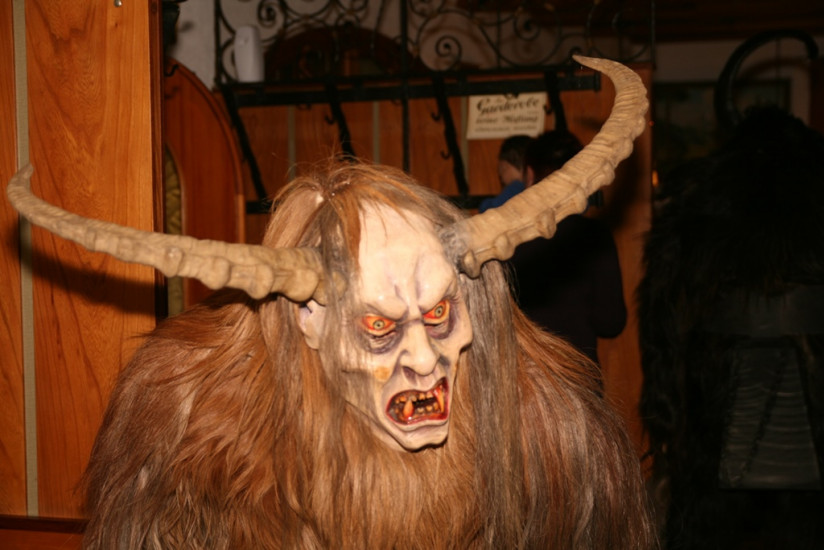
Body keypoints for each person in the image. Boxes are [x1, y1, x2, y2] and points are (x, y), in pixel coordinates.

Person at [7, 56, 653, 549]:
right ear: (309, 321)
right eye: (378, 326)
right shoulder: (192, 427)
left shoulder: (544, 421)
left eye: (438, 316)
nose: (422, 359)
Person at [509, 130, 627, 364]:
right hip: (578, 376)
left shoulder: (505, 239)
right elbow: (611, 322)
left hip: (521, 374)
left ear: (530, 175)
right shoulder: (594, 236)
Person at [478, 134, 531, 213]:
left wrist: (484, 204)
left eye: (501, 170)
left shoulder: (516, 187)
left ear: (504, 166)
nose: (501, 178)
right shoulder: (537, 187)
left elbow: (490, 210)